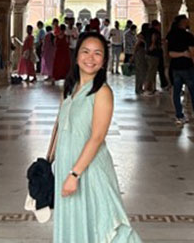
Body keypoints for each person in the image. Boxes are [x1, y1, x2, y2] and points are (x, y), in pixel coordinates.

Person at [52, 32, 142, 243]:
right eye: (85, 51)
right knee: (74, 220)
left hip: (89, 169)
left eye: (97, 53)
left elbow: (97, 137)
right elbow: (60, 127)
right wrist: (51, 162)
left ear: (104, 61)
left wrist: (74, 175)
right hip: (67, 164)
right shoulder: (69, 88)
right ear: (76, 56)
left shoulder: (102, 92)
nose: (90, 58)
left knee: (103, 224)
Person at [166, 15, 194, 125]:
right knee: (193, 92)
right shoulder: (188, 36)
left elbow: (170, 53)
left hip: (175, 68)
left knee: (176, 92)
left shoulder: (171, 35)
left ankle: (179, 116)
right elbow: (193, 53)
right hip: (187, 67)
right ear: (183, 22)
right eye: (187, 21)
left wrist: (179, 54)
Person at [143, 20, 163, 95]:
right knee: (151, 72)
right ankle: (146, 89)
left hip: (149, 53)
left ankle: (153, 88)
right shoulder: (155, 32)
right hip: (153, 54)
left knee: (153, 72)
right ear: (157, 25)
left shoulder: (148, 31)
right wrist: (153, 44)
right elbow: (154, 38)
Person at [152, 20, 169, 90]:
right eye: (159, 25)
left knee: (160, 69)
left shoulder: (155, 32)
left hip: (157, 53)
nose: (160, 27)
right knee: (156, 69)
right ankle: (152, 87)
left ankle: (163, 84)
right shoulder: (155, 32)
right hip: (156, 53)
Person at [132, 28, 147, 95]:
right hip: (139, 56)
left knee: (141, 73)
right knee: (140, 73)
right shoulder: (140, 41)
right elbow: (135, 48)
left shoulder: (141, 40)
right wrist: (133, 56)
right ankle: (139, 88)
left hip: (141, 56)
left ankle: (139, 88)